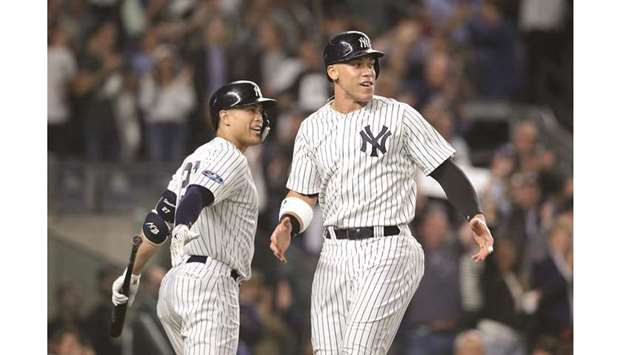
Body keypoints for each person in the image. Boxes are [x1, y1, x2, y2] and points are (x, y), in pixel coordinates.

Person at [269, 30, 495, 355]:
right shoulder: (312, 127)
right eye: (357, 64)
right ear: (333, 71)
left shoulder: (398, 116)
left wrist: (474, 213)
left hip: (388, 247)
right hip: (333, 255)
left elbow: (445, 169)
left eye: (371, 64)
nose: (368, 72)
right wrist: (288, 222)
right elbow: (303, 193)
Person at [111, 80, 277, 354]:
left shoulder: (195, 157)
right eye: (250, 110)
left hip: (175, 288)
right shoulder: (230, 156)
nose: (259, 118)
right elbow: (197, 195)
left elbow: (157, 224)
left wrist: (132, 273)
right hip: (210, 285)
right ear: (225, 116)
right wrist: (184, 225)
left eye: (261, 111)